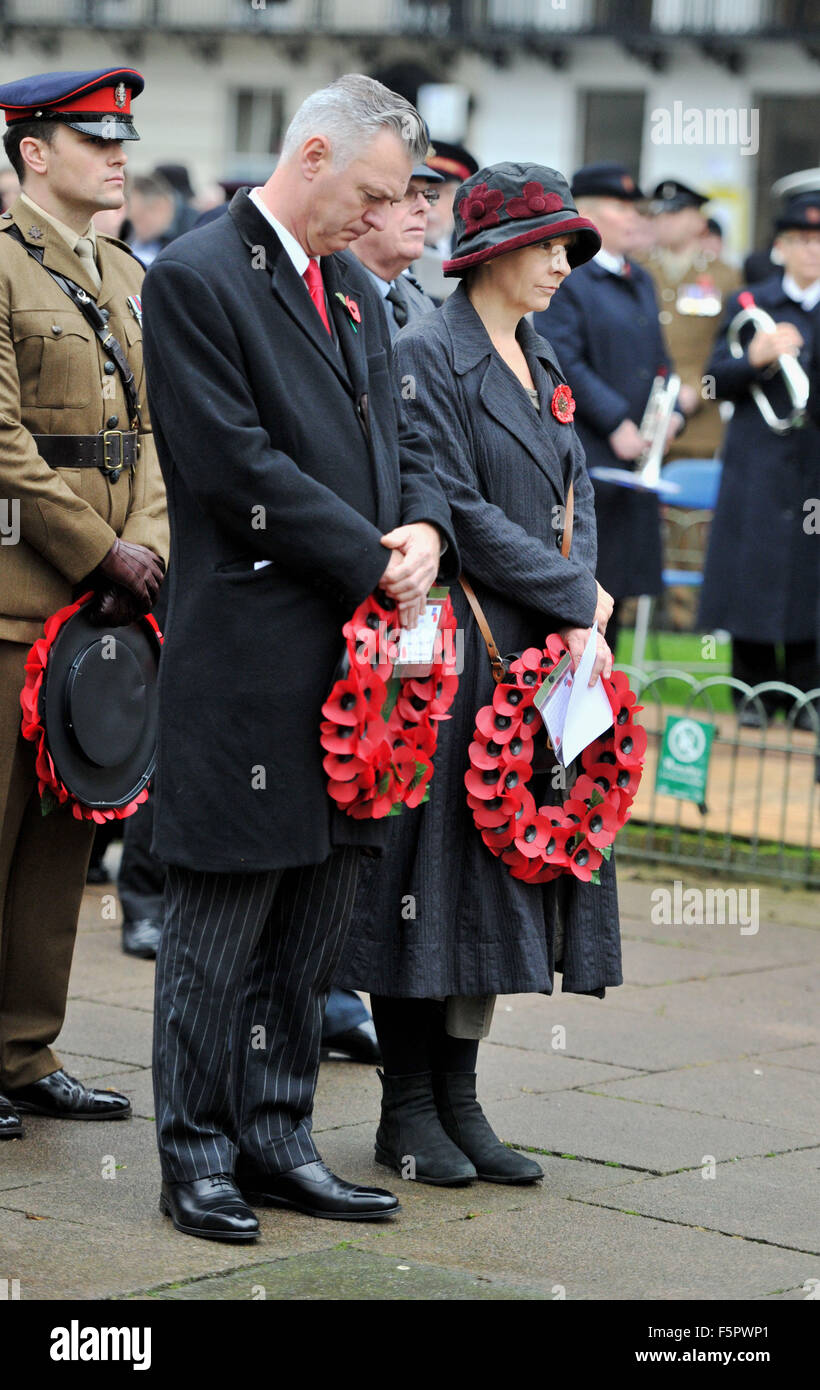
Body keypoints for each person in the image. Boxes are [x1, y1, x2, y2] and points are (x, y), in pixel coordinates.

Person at [141, 74, 457, 1242]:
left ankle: (278, 1138)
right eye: (371, 191)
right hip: (252, 659)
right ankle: (198, 1155)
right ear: (311, 154)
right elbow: (231, 467)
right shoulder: (195, 276)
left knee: (311, 930)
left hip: (357, 675)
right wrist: (373, 558)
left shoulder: (362, 299)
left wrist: (424, 527)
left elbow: (406, 435)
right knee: (219, 932)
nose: (383, 216)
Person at [335, 162, 619, 1187]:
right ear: (495, 253)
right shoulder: (425, 355)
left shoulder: (537, 353)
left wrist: (583, 589)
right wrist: (570, 589)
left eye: (568, 248)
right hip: (457, 655)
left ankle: (459, 1095)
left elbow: (573, 488)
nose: (561, 264)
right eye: (548, 245)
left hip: (539, 655)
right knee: (432, 881)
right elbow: (451, 504)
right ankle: (407, 1106)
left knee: (503, 876)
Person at [0, 67, 168, 1140]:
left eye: (122, 136)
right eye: (92, 136)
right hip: (18, 596)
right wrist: (101, 547)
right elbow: (2, 441)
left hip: (102, 605)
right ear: (31, 151)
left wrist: (146, 542)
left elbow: (152, 432)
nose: (117, 153)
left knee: (64, 840)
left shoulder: (121, 268)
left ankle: (23, 1048)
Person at [539, 161, 683, 659]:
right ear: (594, 213)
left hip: (635, 460)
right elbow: (563, 356)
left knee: (617, 588)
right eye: (625, 207)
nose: (638, 218)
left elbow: (660, 361)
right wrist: (616, 419)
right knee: (583, 584)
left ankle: (609, 710)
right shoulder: (570, 276)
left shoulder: (640, 279)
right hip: (590, 451)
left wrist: (668, 417)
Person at [699, 191, 820, 726]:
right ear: (781, 247)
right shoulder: (751, 302)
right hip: (757, 462)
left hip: (812, 463)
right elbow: (712, 382)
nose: (812, 252)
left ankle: (807, 697)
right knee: (750, 569)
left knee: (810, 577)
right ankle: (750, 693)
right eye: (802, 241)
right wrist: (755, 358)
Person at [644, 180, 740, 461]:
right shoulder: (638, 270)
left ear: (698, 220)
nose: (665, 221)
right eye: (659, 214)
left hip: (700, 422)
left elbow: (732, 343)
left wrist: (699, 389)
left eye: (675, 213)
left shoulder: (725, 276)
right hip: (642, 413)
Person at [347, 157, 442, 335]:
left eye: (427, 195)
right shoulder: (325, 285)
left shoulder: (420, 302)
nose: (425, 207)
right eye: (406, 192)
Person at [413, 139, 478, 303]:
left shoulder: (476, 250)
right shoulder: (387, 244)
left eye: (439, 193)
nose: (428, 205)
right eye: (417, 192)